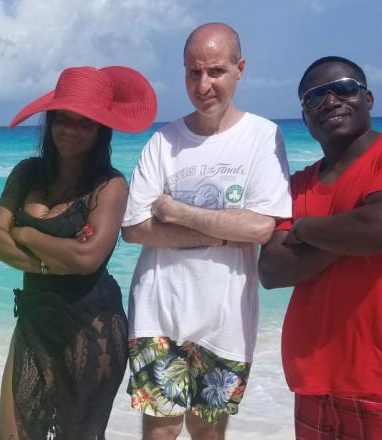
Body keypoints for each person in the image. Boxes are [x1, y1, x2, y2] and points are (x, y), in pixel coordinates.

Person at [120, 23, 292, 439]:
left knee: (208, 431)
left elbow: (261, 226)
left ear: (239, 69)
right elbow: (135, 228)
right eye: (193, 73)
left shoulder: (262, 137)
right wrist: (222, 232)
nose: (203, 84)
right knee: (160, 431)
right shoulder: (164, 140)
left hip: (226, 316)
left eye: (215, 71)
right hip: (158, 310)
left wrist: (176, 210)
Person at [258, 56, 382, 439]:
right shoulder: (295, 185)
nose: (329, 101)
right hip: (312, 375)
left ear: (368, 98)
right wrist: (354, 230)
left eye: (342, 88)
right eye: (314, 98)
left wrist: (305, 229)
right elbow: (272, 271)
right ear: (305, 116)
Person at [0, 65, 157, 439]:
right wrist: (54, 261)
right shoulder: (28, 173)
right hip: (33, 319)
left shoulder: (109, 185)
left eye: (84, 122)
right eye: (62, 119)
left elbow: (86, 259)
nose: (70, 130)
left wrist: (24, 231)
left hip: (91, 328)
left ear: (100, 130)